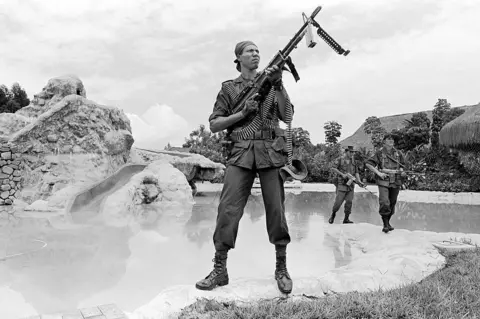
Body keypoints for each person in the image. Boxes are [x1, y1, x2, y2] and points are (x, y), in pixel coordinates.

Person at [195, 40, 294, 294]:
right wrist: (241, 114)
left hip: (270, 152)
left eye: (258, 51)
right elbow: (215, 124)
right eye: (250, 51)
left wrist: (279, 83)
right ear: (238, 58)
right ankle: (220, 269)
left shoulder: (272, 84)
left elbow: (287, 115)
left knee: (276, 210)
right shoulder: (229, 89)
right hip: (240, 152)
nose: (256, 54)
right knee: (228, 209)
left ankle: (281, 268)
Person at [365, 133, 407, 233]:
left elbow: (403, 165)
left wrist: (402, 171)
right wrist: (378, 173)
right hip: (383, 181)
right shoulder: (379, 153)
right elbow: (368, 163)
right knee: (384, 202)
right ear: (384, 141)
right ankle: (385, 224)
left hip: (396, 181)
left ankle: (388, 222)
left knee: (392, 203)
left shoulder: (398, 153)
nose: (391, 140)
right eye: (388, 139)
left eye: (392, 139)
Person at [328, 145, 363, 224]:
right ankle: (333, 215)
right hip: (342, 184)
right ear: (346, 152)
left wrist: (359, 181)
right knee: (338, 203)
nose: (352, 153)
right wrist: (342, 174)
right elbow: (333, 168)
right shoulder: (340, 159)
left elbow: (356, 172)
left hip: (350, 185)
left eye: (353, 152)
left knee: (349, 202)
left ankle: (346, 219)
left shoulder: (354, 161)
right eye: (351, 152)